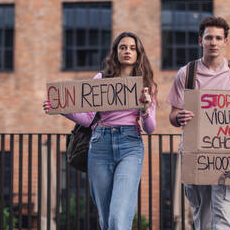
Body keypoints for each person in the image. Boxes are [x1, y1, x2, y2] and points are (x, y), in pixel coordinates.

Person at [43, 32, 157, 230]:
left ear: (139, 53)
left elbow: (150, 129)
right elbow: (87, 119)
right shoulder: (101, 79)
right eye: (123, 47)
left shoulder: (145, 85)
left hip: (130, 146)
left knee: (117, 218)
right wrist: (60, 108)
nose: (127, 51)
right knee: (106, 220)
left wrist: (146, 109)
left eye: (132, 48)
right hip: (100, 146)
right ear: (116, 52)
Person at [167, 16, 230, 230]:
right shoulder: (186, 73)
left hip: (228, 152)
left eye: (218, 38)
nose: (213, 42)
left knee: (223, 208)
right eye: (208, 38)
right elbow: (173, 113)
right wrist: (179, 117)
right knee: (202, 210)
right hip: (196, 151)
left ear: (225, 42)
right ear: (200, 41)